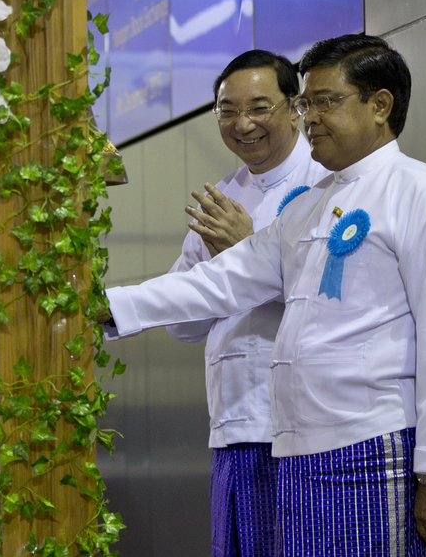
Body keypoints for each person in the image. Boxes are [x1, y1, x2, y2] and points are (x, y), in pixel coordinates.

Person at [102, 34, 426, 556]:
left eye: (326, 101)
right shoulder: (309, 206)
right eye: (306, 103)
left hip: (374, 446)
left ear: (380, 105)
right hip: (297, 449)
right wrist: (109, 306)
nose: (311, 117)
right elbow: (220, 281)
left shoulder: (423, 193)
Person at [166, 50, 325, 557]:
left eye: (259, 107)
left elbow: (335, 298)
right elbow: (183, 322)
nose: (243, 124)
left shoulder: (324, 182)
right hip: (232, 426)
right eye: (227, 110)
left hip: (302, 429)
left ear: (295, 105)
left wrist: (246, 251)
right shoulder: (225, 194)